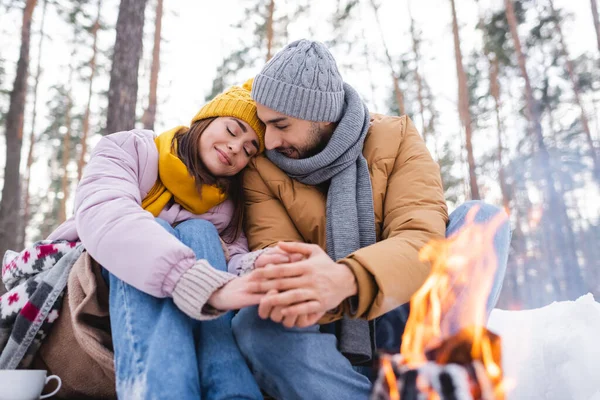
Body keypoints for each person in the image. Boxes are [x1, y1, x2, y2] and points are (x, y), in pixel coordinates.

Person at [231, 39, 512, 400]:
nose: (269, 141)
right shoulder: (263, 169)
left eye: (281, 125)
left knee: (482, 219)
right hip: (325, 329)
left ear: (322, 115)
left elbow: (422, 240)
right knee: (257, 326)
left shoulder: (397, 138)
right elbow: (279, 259)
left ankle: (433, 380)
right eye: (265, 124)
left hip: (407, 315)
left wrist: (347, 278)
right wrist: (313, 285)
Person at [13, 83, 273, 399]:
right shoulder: (131, 148)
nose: (236, 148)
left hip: (192, 299)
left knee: (200, 233)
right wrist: (192, 280)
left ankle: (230, 392)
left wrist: (259, 268)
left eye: (248, 149)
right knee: (157, 230)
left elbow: (234, 258)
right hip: (96, 276)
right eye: (233, 130)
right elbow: (108, 214)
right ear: (207, 118)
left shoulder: (227, 207)